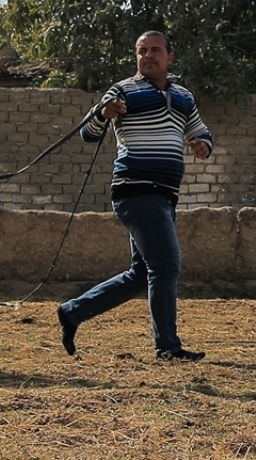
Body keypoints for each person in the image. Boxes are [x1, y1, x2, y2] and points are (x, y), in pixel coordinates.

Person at [56, 31, 214, 361]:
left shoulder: (183, 96)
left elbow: (200, 131)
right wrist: (103, 113)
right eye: (142, 51)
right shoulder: (122, 90)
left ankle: (73, 312)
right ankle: (168, 347)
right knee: (166, 265)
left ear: (170, 57)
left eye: (155, 50)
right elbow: (87, 132)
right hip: (137, 188)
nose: (148, 56)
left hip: (164, 195)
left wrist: (203, 145)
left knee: (143, 273)